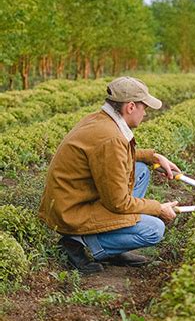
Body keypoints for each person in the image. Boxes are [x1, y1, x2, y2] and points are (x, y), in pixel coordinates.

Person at [39, 76, 180, 273]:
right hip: (72, 211)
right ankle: (78, 243)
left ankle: (111, 244)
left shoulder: (100, 121)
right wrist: (157, 208)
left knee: (139, 170)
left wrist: (153, 156)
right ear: (130, 107)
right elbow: (118, 202)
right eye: (144, 108)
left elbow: (115, 156)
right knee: (154, 229)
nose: (145, 114)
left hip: (73, 199)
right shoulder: (110, 138)